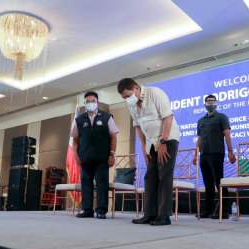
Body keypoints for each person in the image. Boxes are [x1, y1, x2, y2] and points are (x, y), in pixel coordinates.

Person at [118, 78, 180, 226]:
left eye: (128, 95)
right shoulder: (132, 105)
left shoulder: (155, 93)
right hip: (150, 142)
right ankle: (150, 214)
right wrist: (144, 148)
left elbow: (168, 117)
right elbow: (138, 126)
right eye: (124, 98)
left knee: (164, 175)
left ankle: (164, 215)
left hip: (167, 139)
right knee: (150, 177)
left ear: (136, 88)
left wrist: (163, 142)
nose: (127, 99)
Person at [71, 91, 119, 219]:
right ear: (85, 103)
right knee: (86, 183)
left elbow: (113, 136)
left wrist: (112, 154)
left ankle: (101, 210)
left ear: (97, 102)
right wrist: (76, 155)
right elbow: (75, 138)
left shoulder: (107, 117)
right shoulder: (79, 119)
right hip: (84, 157)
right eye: (88, 101)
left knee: (101, 184)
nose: (90, 103)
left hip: (102, 157)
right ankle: (87, 210)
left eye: (93, 101)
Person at [192, 95, 236, 220]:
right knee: (208, 184)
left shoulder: (221, 117)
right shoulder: (200, 120)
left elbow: (227, 134)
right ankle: (207, 210)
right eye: (208, 101)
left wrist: (230, 151)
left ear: (216, 104)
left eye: (213, 101)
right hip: (204, 154)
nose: (211, 103)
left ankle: (224, 211)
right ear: (204, 105)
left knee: (219, 182)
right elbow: (199, 139)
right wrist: (196, 154)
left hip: (216, 153)